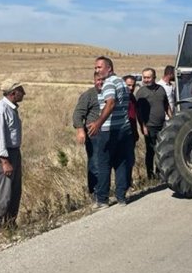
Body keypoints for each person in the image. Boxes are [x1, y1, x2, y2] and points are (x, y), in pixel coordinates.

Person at [88, 56, 134, 207]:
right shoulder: (121, 81)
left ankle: (102, 199)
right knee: (121, 163)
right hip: (124, 129)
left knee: (104, 164)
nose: (97, 70)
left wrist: (98, 123)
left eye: (99, 67)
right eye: (95, 68)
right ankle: (121, 197)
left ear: (109, 68)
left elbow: (110, 103)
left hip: (109, 130)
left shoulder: (108, 83)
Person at [0, 79, 26, 234]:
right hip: (4, 155)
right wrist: (4, 161)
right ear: (13, 93)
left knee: (15, 190)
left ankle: (9, 224)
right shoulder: (0, 110)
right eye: (21, 90)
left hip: (14, 152)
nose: (24, 93)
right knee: (3, 192)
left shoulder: (11, 109)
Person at [135, 67, 172, 180]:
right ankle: (151, 176)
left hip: (162, 125)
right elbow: (138, 112)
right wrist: (143, 126)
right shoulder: (141, 92)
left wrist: (172, 118)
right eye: (144, 77)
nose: (146, 80)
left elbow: (166, 105)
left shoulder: (161, 89)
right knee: (150, 151)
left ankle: (160, 173)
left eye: (148, 77)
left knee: (162, 150)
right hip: (149, 126)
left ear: (154, 77)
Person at [72, 72, 104, 198]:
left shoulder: (110, 94)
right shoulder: (89, 95)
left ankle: (104, 190)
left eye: (103, 79)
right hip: (93, 135)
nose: (100, 82)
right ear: (94, 80)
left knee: (105, 163)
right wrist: (80, 131)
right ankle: (95, 191)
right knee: (95, 162)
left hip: (108, 134)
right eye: (98, 80)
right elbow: (77, 114)